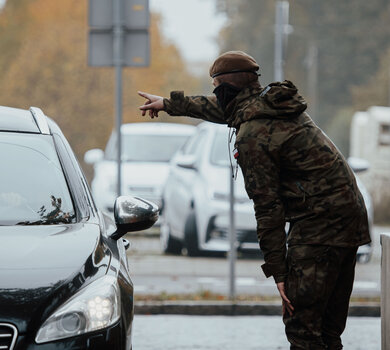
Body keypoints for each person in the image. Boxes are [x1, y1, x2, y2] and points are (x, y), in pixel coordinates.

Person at [138, 51, 371, 349]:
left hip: (319, 227)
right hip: (349, 219)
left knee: (302, 328)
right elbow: (227, 109)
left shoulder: (253, 135)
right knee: (326, 331)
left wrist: (279, 272)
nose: (216, 96)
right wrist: (170, 104)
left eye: (217, 89)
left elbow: (268, 208)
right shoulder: (273, 106)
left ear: (224, 89)